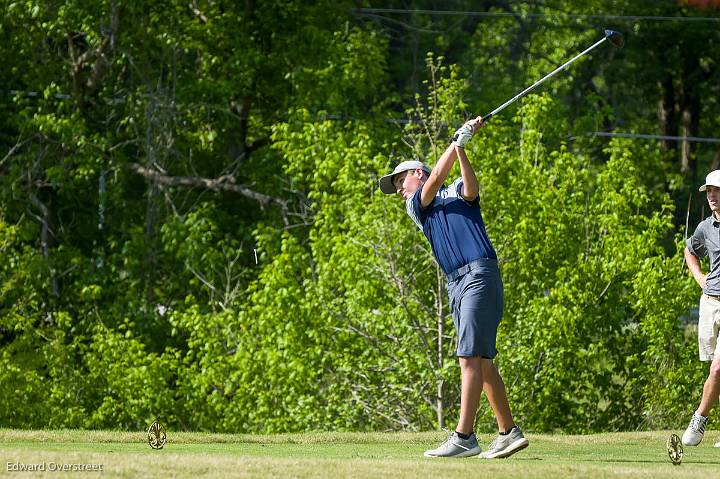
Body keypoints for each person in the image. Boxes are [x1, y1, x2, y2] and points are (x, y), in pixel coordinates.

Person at [378, 116, 528, 458]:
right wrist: (456, 142)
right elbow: (434, 184)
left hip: (478, 275)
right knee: (483, 362)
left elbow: (471, 189)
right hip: (457, 284)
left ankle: (464, 437)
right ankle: (508, 432)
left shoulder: (454, 190)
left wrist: (460, 148)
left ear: (417, 172)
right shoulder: (417, 206)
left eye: (401, 181)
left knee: (468, 358)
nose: (399, 190)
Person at [683, 169, 720, 447]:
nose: (712, 196)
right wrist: (699, 277)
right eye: (709, 191)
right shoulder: (705, 227)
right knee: (714, 369)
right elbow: (690, 250)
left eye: (716, 191)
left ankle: (699, 419)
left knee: (718, 369)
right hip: (709, 304)